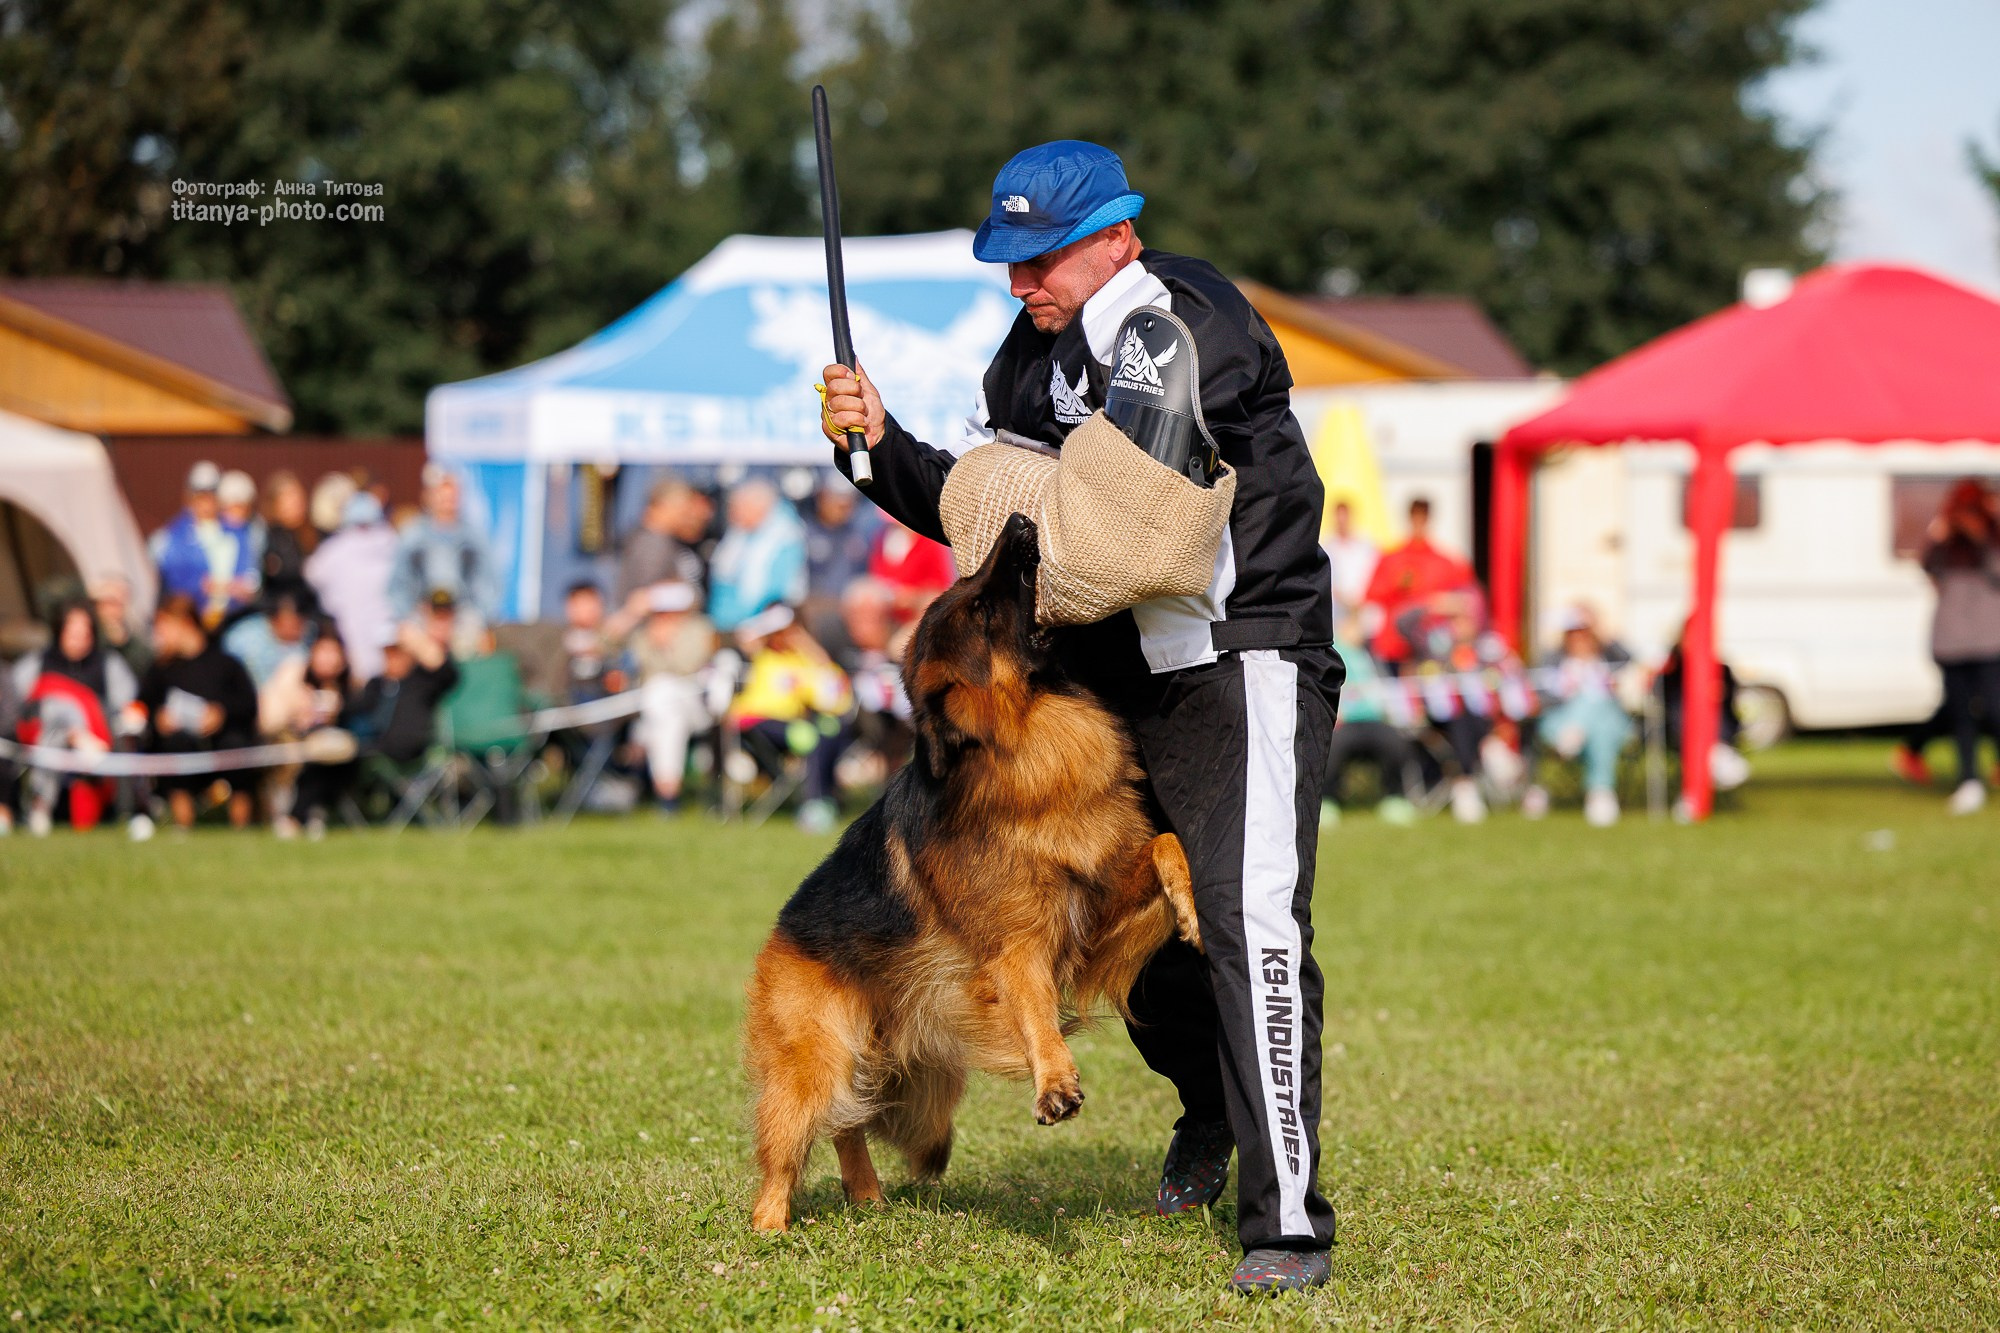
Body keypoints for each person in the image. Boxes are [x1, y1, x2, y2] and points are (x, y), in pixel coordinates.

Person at [820, 140, 1342, 1292]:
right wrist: (874, 447)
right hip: (1113, 686)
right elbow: (987, 525)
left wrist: (997, 496)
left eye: (1041, 259)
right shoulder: (1031, 351)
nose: (1021, 285)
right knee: (1123, 939)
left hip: (1235, 655)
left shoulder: (1181, 322)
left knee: (1245, 918)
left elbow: (1108, 546)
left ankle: (1286, 1222)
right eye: (1007, 263)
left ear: (1116, 234)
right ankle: (1210, 1110)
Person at [11, 600, 139, 834]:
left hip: (99, 734)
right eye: (72, 633)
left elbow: (125, 704)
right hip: (44, 737)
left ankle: (42, 807)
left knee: (73, 724)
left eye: (84, 634)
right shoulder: (37, 663)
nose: (78, 640)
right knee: (58, 711)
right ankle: (76, 737)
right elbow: (18, 703)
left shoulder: (108, 664)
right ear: (60, 631)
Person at [136, 594, 260, 830]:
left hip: (224, 743)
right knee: (175, 746)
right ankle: (183, 826)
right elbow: (141, 708)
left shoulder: (226, 664)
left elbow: (249, 705)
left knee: (237, 747)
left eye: (164, 627)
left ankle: (240, 827)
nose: (159, 636)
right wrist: (157, 720)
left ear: (185, 624)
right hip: (181, 746)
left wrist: (221, 713)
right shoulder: (159, 670)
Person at [726, 604, 851, 833]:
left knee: (829, 729)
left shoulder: (800, 661)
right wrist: (767, 627)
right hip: (754, 722)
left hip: (791, 725)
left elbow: (836, 694)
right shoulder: (761, 655)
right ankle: (815, 801)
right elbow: (743, 638)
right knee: (808, 735)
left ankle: (820, 801)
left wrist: (804, 643)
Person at [1917, 479, 2000, 815]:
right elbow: (1929, 571)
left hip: (1990, 638)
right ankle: (1969, 779)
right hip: (1951, 639)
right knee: (1960, 713)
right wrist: (1939, 536)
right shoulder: (1944, 540)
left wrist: (1981, 534)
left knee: (1995, 708)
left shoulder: (1993, 535)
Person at [1519, 610, 1635, 827]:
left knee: (1598, 709)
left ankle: (1577, 732)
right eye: (1574, 634)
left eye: (1584, 634)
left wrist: (1600, 629)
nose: (1579, 639)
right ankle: (1600, 793)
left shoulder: (1607, 658)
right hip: (1559, 721)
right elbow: (1539, 694)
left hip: (1600, 726)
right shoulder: (1553, 660)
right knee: (1592, 709)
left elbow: (1629, 658)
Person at [624, 582, 720, 814]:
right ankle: (668, 792)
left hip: (697, 706)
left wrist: (665, 646)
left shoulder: (700, 629)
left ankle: (661, 788)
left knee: (661, 693)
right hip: (659, 709)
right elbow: (611, 648)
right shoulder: (643, 632)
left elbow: (688, 666)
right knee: (667, 716)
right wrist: (628, 615)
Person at [1321, 618, 1417, 827]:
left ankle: (1395, 797)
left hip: (1374, 719)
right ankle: (1327, 801)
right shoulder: (1332, 654)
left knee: (1395, 742)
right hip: (1343, 722)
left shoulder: (1370, 656)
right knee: (1333, 747)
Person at [1363, 497, 1476, 671]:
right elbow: (1370, 595)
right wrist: (1396, 586)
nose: (1419, 523)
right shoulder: (1392, 558)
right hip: (1395, 646)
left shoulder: (1445, 562)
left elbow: (1467, 599)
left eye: (1422, 517)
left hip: (1429, 647)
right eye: (1416, 517)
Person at [388, 466, 501, 638]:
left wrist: (481, 617)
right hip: (422, 615)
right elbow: (399, 582)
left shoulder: (473, 537)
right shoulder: (413, 535)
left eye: (452, 495)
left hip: (463, 616)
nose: (448, 500)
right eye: (442, 494)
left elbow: (487, 582)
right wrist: (409, 614)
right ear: (429, 496)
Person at [149, 461, 259, 627]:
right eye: (200, 495)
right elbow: (174, 581)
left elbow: (251, 576)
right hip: (191, 621)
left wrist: (234, 588)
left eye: (211, 495)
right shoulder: (173, 536)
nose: (206, 502)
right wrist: (201, 589)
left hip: (234, 618)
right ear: (189, 497)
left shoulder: (238, 532)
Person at [306, 492, 399, 682]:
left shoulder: (337, 547)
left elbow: (311, 574)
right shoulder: (393, 541)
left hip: (357, 627)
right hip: (380, 628)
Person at [350, 621, 460, 769]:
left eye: (397, 650)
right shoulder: (376, 685)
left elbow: (450, 674)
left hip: (412, 757)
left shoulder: (422, 681)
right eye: (388, 651)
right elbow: (354, 707)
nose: (392, 657)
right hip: (371, 753)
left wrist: (419, 642)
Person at [283, 631, 360, 839]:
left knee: (322, 759)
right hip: (302, 752)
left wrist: (339, 712)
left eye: (333, 652)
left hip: (345, 758)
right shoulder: (300, 686)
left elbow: (358, 726)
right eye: (322, 651)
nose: (327, 658)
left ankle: (297, 817)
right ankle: (308, 814)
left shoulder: (353, 689)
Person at [707, 478, 807, 631]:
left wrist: (751, 626)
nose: (732, 515)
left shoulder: (785, 538)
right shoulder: (738, 536)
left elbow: (777, 592)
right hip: (727, 623)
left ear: (759, 508)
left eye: (737, 509)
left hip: (765, 626)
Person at [617, 476, 712, 603]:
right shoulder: (653, 544)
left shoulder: (665, 541)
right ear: (663, 507)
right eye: (682, 511)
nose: (687, 517)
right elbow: (645, 595)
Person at [867, 517, 956, 625]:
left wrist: (911, 597)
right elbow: (876, 575)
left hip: (917, 614)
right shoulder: (883, 537)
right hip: (888, 612)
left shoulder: (929, 542)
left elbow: (940, 588)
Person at [222, 591, 315, 692]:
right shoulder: (245, 635)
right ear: (275, 617)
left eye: (300, 623)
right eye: (291, 620)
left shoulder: (305, 641)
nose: (297, 628)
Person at [257, 469, 320, 614]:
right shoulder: (267, 536)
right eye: (289, 497)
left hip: (310, 614)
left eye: (298, 496)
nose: (296, 502)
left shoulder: (316, 536)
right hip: (274, 615)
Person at [1322, 500, 1379, 621]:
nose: (1342, 521)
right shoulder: (1327, 547)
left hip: (1364, 609)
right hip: (1338, 612)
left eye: (1344, 516)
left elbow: (1374, 574)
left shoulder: (1365, 545)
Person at [89, 574, 152, 679]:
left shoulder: (133, 640)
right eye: (100, 603)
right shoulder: (87, 631)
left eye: (113, 603)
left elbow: (144, 670)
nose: (106, 608)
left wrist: (123, 642)